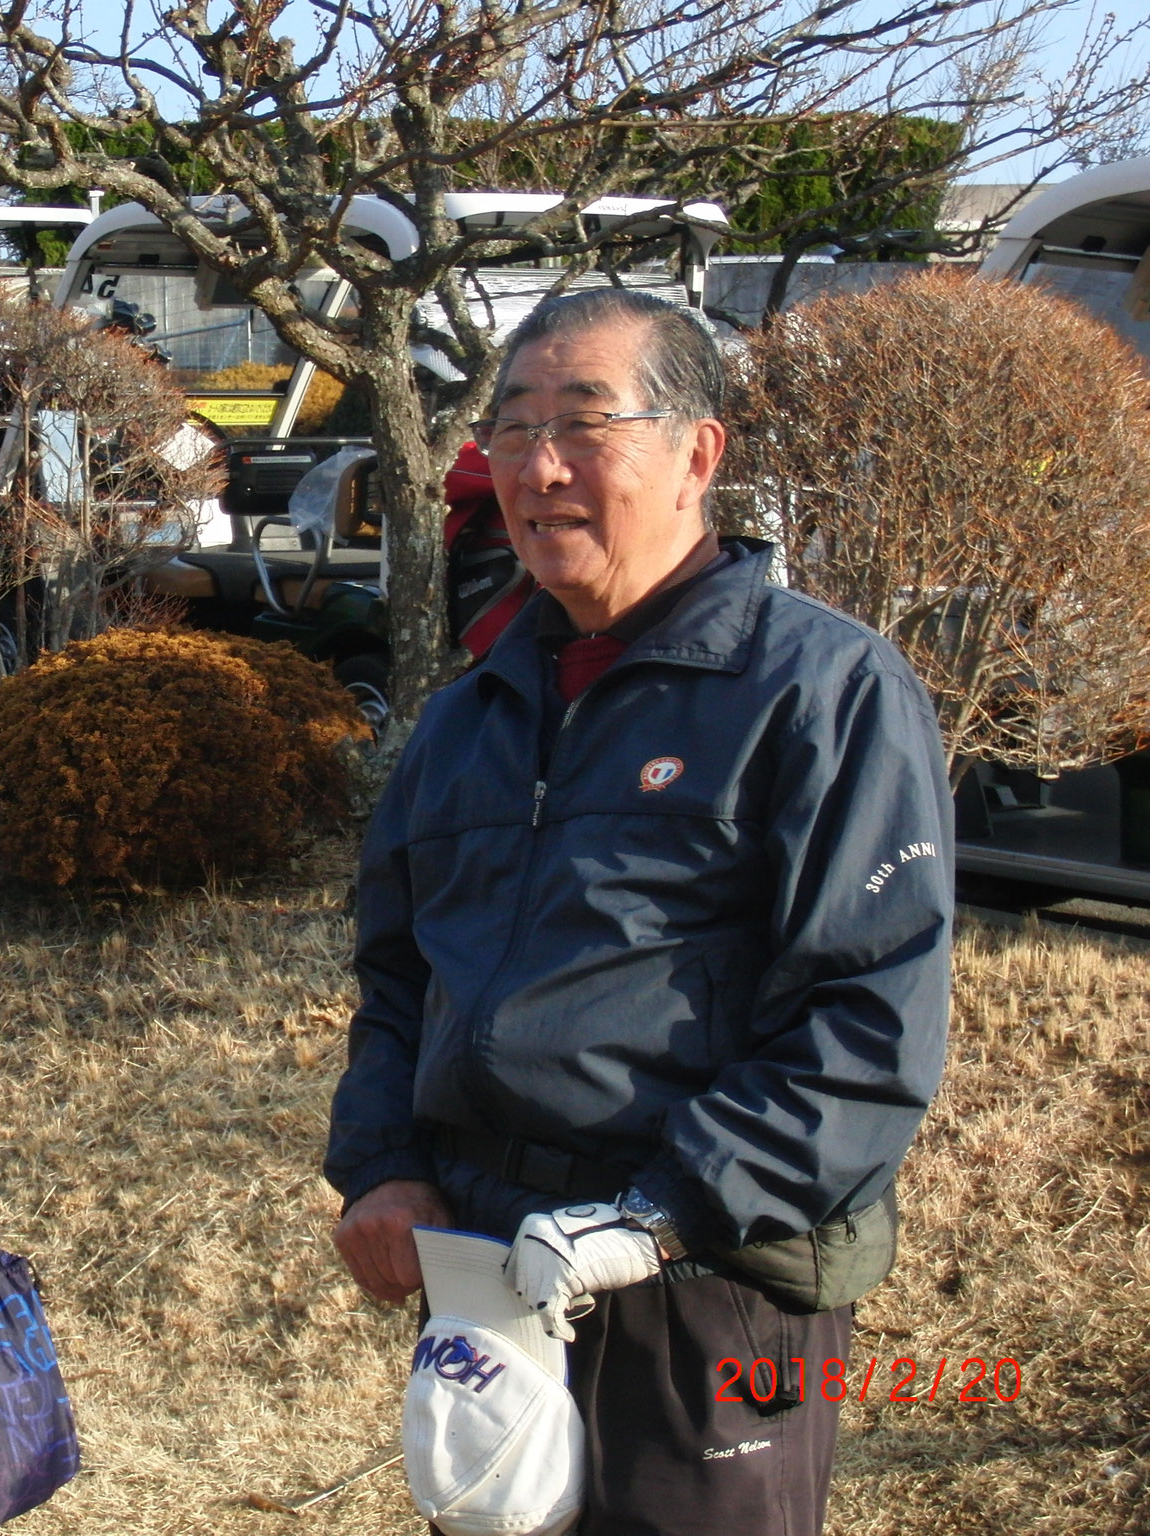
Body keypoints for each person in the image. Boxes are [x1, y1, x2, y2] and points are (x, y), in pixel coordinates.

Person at [326, 288, 953, 1534]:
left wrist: (660, 1214)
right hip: (489, 1271)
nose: (538, 467)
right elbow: (398, 975)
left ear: (696, 453)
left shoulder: (819, 691)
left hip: (710, 1279)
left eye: (582, 422)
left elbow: (866, 1019)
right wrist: (384, 1167)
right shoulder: (467, 717)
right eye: (509, 430)